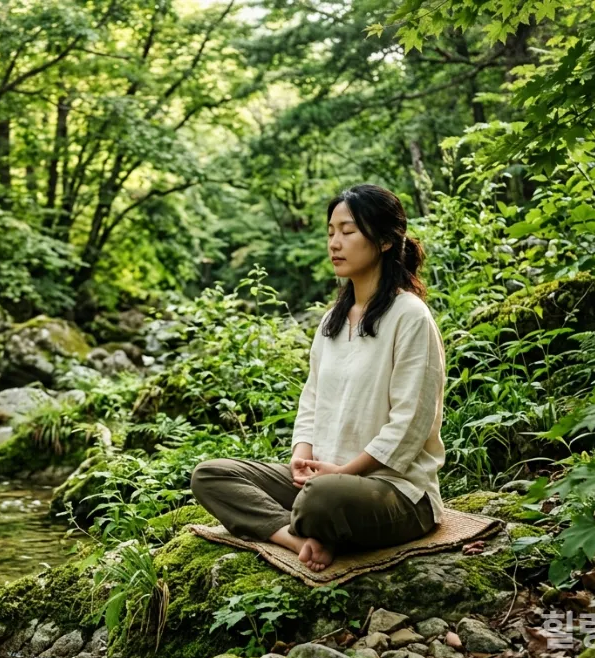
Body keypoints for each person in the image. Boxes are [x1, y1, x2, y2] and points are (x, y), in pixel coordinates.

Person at [190, 183, 446, 572]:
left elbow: (411, 422)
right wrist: (300, 456)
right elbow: (312, 400)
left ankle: (302, 519)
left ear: (384, 241)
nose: (334, 243)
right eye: (330, 232)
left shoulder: (410, 316)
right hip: (320, 477)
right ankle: (293, 537)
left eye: (348, 231)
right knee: (210, 476)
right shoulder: (331, 321)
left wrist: (343, 473)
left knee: (321, 498)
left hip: (395, 491)